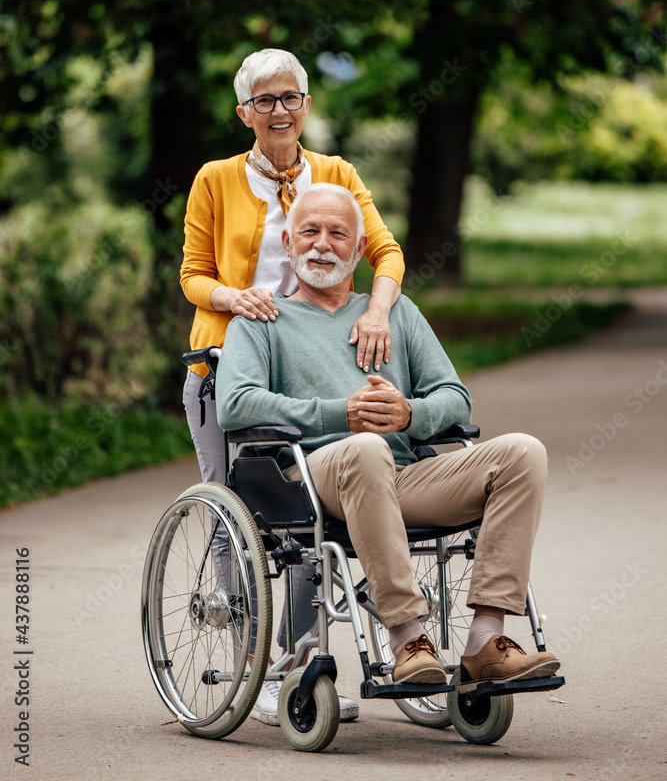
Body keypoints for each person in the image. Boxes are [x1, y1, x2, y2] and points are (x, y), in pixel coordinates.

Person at [217, 184, 561, 689]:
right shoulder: (263, 318)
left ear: (359, 250)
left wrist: (409, 415)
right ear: (288, 244)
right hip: (310, 480)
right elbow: (235, 404)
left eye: (338, 234)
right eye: (309, 231)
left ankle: (487, 641)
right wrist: (341, 413)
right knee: (365, 447)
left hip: (400, 476)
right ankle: (407, 639)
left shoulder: (396, 313)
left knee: (523, 453)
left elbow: (454, 396)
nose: (322, 243)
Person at [180, 48, 404, 723]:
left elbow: (384, 250)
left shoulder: (334, 174)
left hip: (311, 364)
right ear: (243, 112)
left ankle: (297, 660)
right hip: (229, 364)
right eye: (264, 100)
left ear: (306, 104)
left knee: (310, 514)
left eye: (290, 98)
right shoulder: (216, 179)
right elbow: (191, 274)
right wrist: (232, 295)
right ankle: (249, 662)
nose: (279, 111)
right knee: (234, 514)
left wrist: (375, 309)